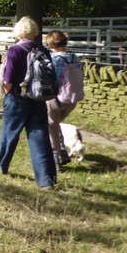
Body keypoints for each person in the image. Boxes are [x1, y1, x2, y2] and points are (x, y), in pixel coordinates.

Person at [0, 16, 56, 189]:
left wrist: (8, 94)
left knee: (9, 134)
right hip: (38, 99)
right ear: (34, 31)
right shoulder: (42, 50)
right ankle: (46, 180)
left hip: (17, 98)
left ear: (18, 31)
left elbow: (8, 79)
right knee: (40, 138)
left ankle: (2, 167)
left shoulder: (15, 50)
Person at [45, 30, 84, 169]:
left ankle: (56, 157)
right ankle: (62, 149)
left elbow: (52, 79)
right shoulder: (74, 57)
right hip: (72, 99)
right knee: (56, 125)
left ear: (50, 44)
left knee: (51, 126)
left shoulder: (53, 59)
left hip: (56, 98)